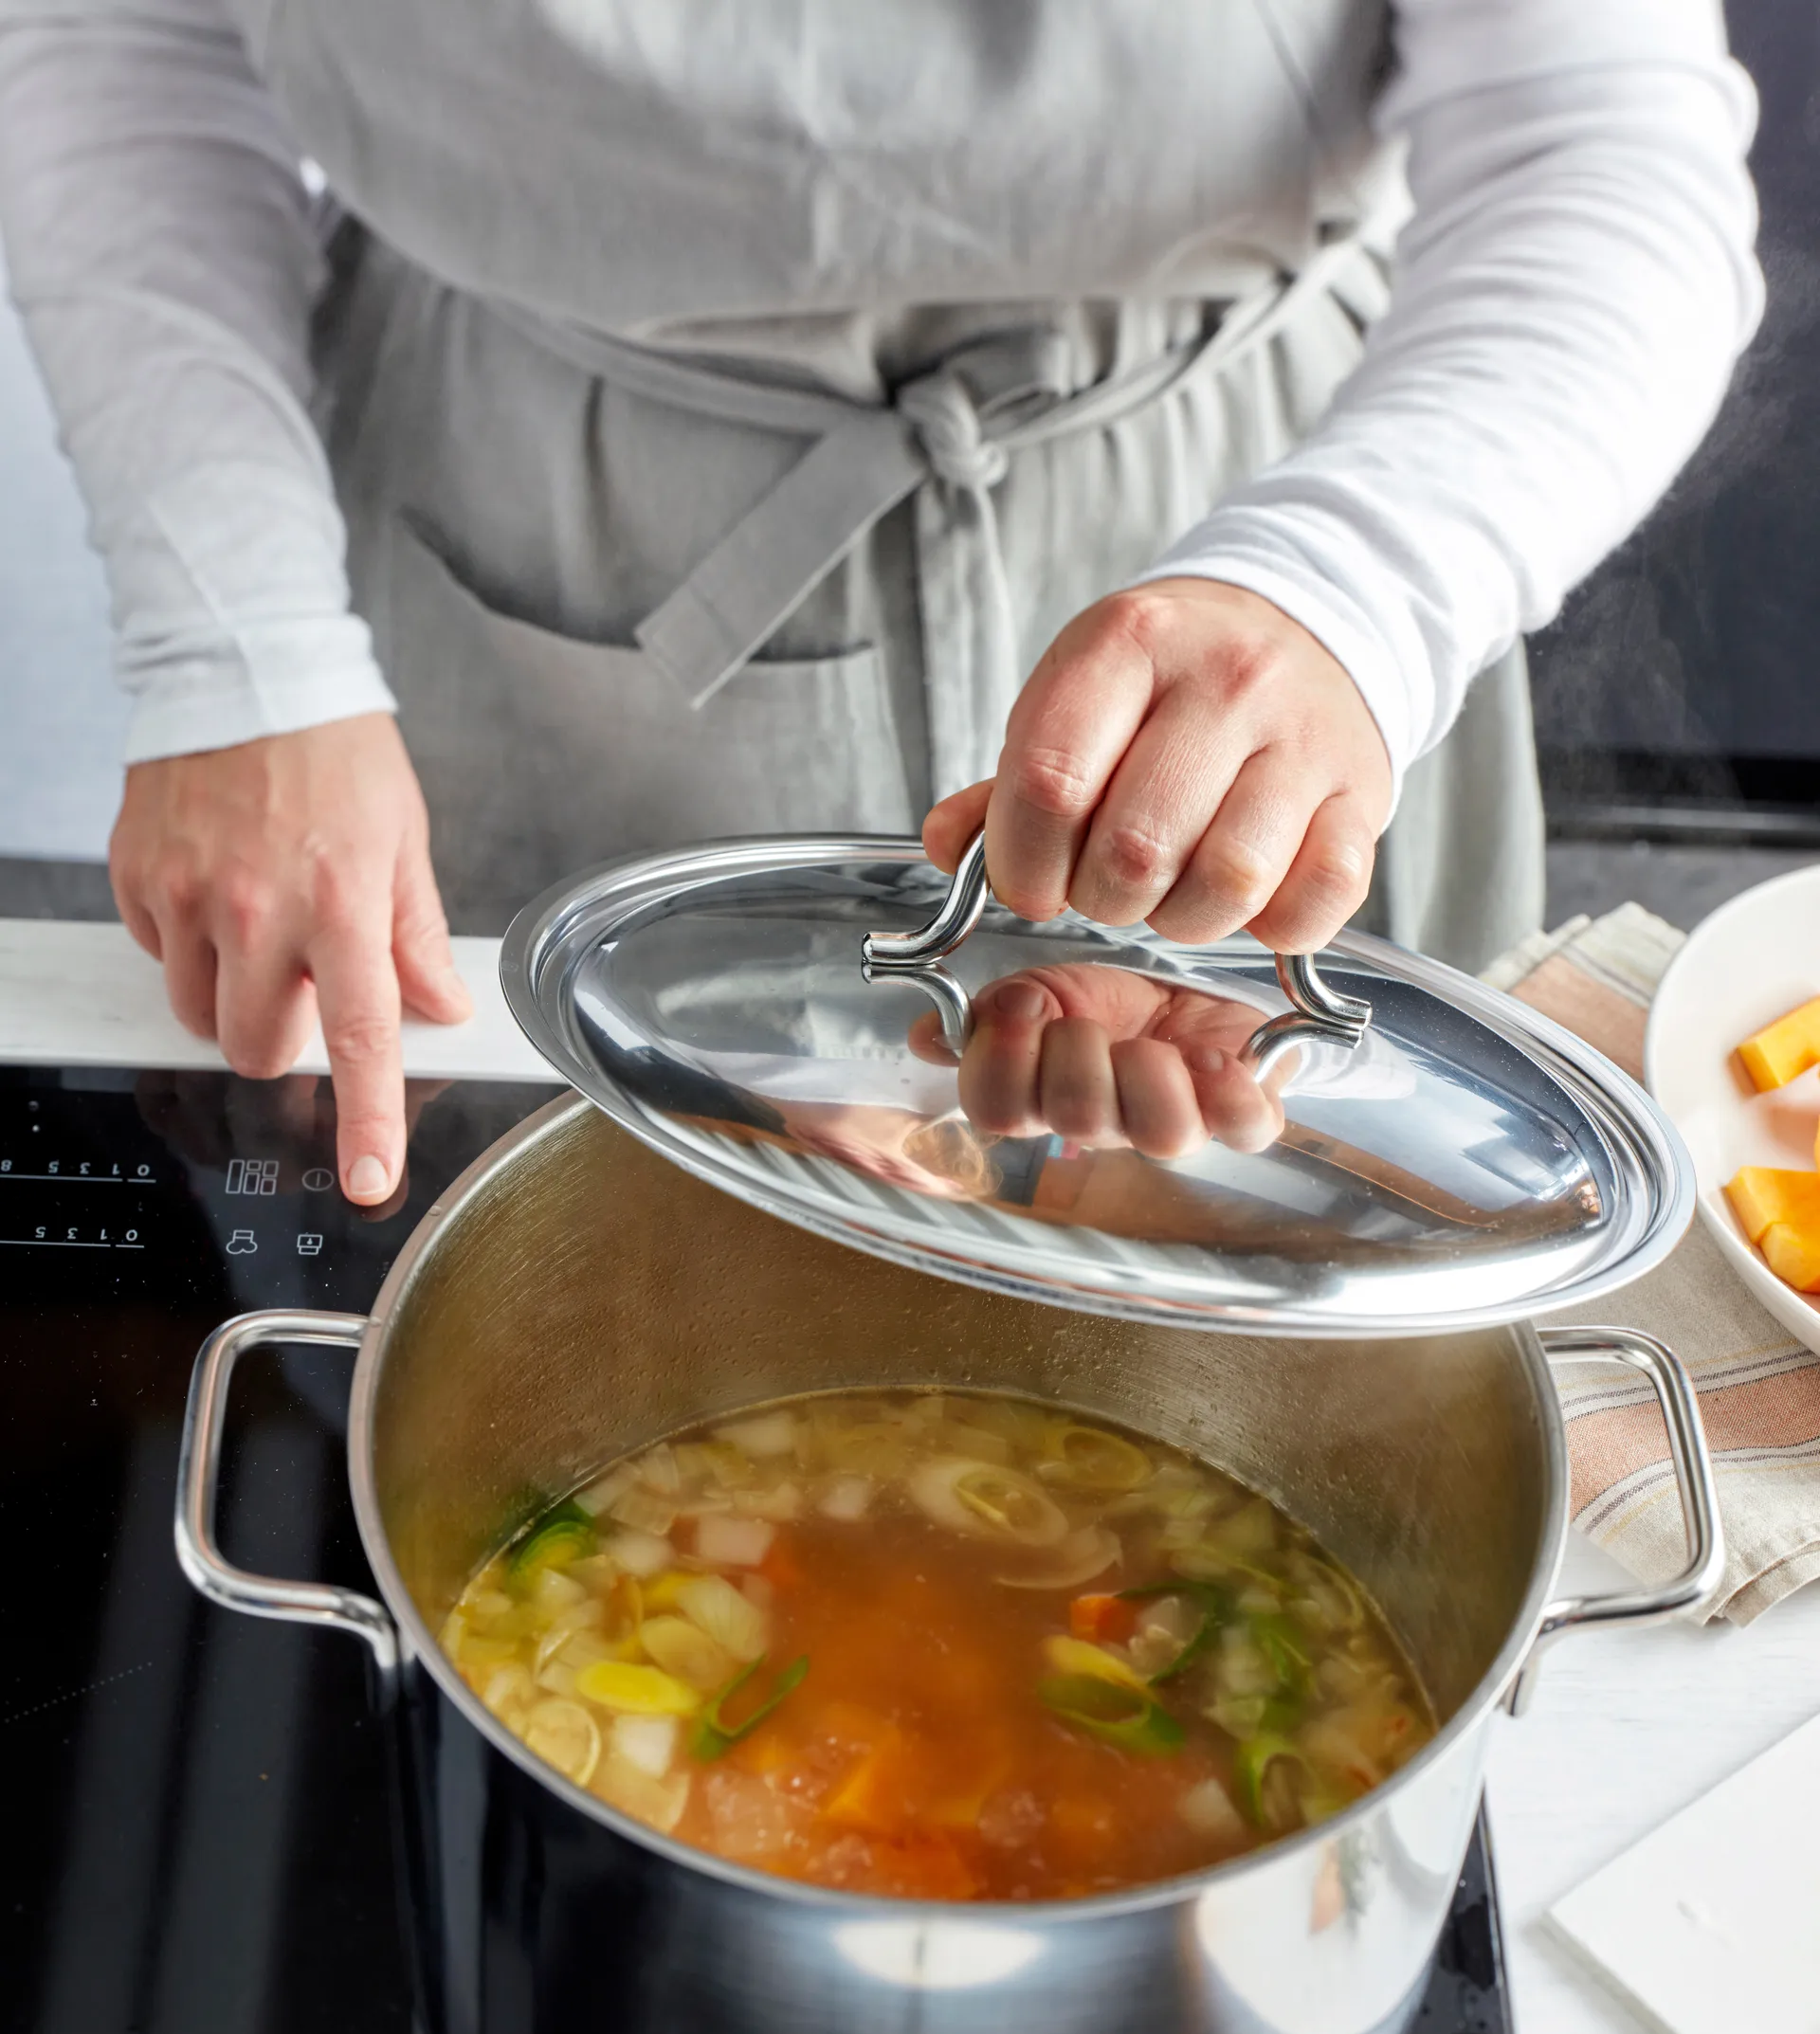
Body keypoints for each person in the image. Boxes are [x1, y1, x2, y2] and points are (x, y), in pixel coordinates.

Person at [0, 1, 1760, 1200]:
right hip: (508, 536)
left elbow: (1598, 149)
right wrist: (237, 645)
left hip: (1261, 539)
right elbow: (127, 35)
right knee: (566, 1289)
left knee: (1288, 1295)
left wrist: (1349, 592)